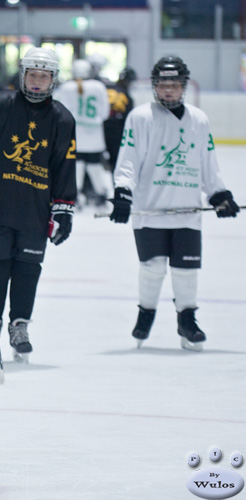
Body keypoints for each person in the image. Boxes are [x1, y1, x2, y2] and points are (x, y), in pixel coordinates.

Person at [109, 56, 240, 351]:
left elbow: (208, 164)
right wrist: (123, 192)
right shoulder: (141, 117)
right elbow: (128, 160)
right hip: (150, 209)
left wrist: (219, 194)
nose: (169, 90)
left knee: (187, 271)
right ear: (155, 86)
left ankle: (187, 320)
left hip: (187, 211)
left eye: (175, 85)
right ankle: (146, 315)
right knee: (153, 268)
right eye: (163, 85)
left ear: (184, 86)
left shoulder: (199, 119)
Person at [0, 46, 77, 363]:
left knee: (28, 269)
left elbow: (65, 167)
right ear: (23, 75)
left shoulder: (63, 119)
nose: (37, 82)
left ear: (53, 80)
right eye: (32, 75)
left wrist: (64, 208)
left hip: (36, 210)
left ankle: (19, 325)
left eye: (44, 76)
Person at [54, 58, 111, 209]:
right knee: (95, 166)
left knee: (76, 166)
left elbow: (58, 111)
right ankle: (101, 193)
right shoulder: (98, 87)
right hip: (95, 136)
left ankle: (76, 195)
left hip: (74, 135)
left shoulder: (66, 88)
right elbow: (105, 113)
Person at [104, 67, 137, 171]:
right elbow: (129, 116)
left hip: (101, 127)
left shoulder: (106, 88)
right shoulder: (126, 95)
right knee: (116, 159)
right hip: (116, 131)